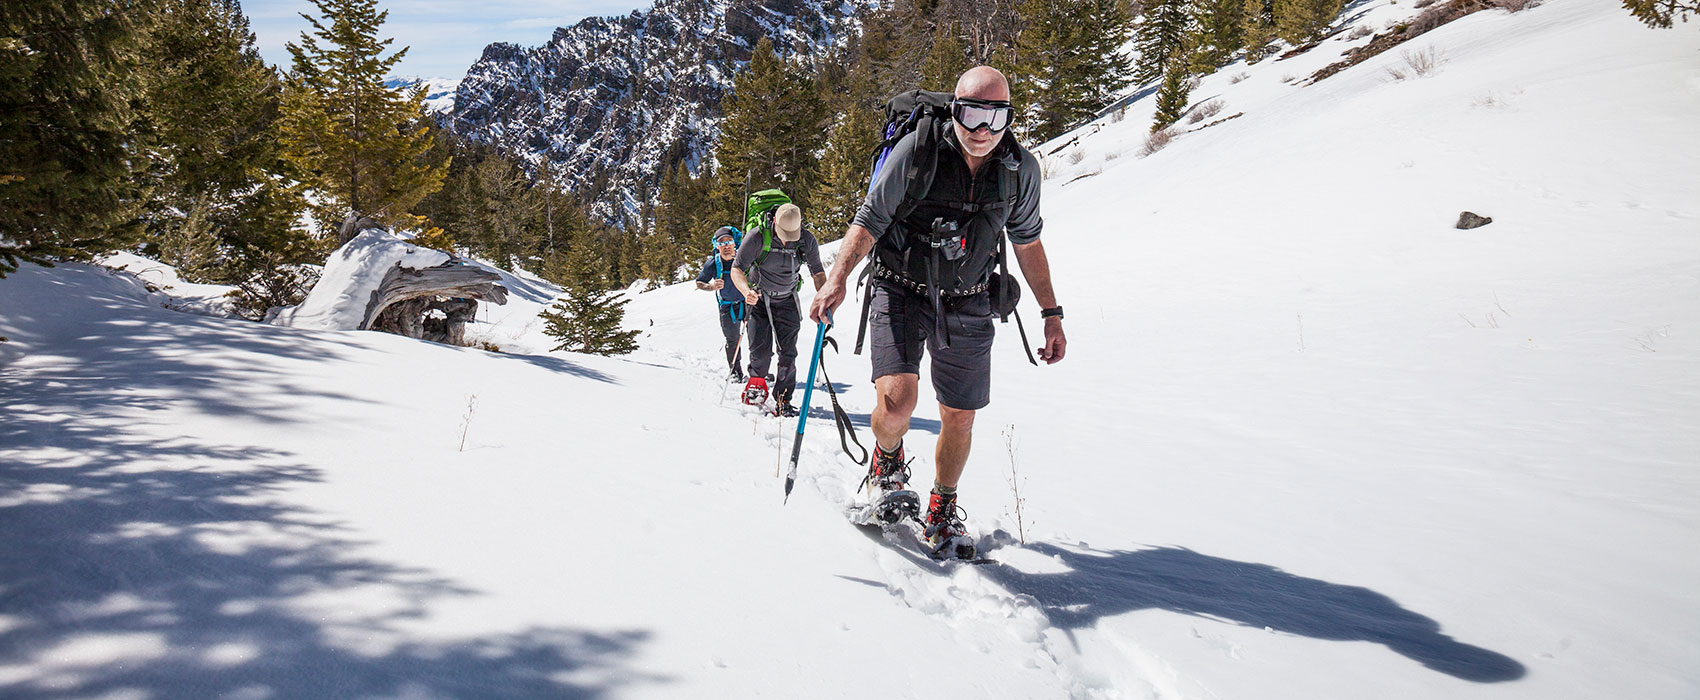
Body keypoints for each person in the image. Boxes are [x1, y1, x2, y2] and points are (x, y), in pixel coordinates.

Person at [808, 66, 1066, 558]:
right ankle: (886, 465)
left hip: (970, 298)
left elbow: (1028, 243)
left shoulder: (1019, 171)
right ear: (955, 110)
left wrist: (1051, 313)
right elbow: (870, 218)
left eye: (996, 117)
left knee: (960, 416)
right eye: (972, 114)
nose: (983, 129)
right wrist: (837, 277)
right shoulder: (918, 152)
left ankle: (942, 509)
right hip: (899, 288)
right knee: (897, 404)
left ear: (1010, 118)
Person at [731, 203, 827, 417]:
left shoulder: (806, 239)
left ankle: (784, 399)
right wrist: (746, 291)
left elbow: (818, 273)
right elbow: (737, 269)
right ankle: (757, 384)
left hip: (787, 300)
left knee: (788, 353)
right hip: (758, 299)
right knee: (760, 351)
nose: (787, 239)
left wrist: (825, 298)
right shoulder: (757, 237)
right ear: (774, 221)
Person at [695, 226, 747, 382]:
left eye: (729, 241)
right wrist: (711, 287)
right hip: (727, 307)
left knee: (757, 338)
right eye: (722, 243)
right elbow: (699, 282)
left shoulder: (743, 259)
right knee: (732, 341)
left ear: (735, 243)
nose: (726, 246)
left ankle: (758, 374)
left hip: (747, 304)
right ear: (717, 246)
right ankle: (735, 372)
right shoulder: (714, 263)